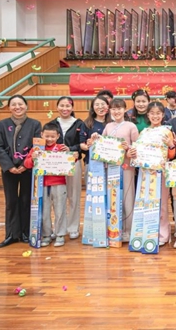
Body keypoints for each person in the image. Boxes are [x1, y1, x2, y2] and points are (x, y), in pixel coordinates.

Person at [0, 95, 42, 248]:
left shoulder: (35, 124)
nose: (17, 107)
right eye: (13, 104)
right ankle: (11, 234)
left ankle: (25, 232)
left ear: (26, 106)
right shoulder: (2, 124)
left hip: (27, 168)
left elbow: (37, 146)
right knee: (11, 201)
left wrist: (25, 164)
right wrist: (9, 166)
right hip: (9, 169)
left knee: (26, 200)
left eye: (20, 104)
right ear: (9, 107)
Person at [129, 102, 176, 247]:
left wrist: (171, 145)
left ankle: (163, 234)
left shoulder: (166, 131)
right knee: (145, 202)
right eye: (152, 113)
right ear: (148, 115)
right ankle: (146, 232)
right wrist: (133, 153)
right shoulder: (143, 132)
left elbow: (171, 155)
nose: (155, 116)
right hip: (145, 173)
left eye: (158, 113)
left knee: (161, 203)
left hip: (160, 173)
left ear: (163, 115)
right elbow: (136, 152)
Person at [23, 122, 75, 247]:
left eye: (53, 136)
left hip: (59, 184)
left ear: (58, 136)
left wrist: (70, 152)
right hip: (42, 185)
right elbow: (26, 164)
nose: (50, 139)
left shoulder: (61, 148)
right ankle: (46, 235)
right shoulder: (37, 149)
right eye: (47, 136)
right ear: (41, 135)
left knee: (60, 210)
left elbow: (72, 161)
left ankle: (60, 234)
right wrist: (33, 158)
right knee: (44, 211)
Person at [101, 99, 139, 241]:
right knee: (113, 198)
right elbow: (102, 145)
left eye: (119, 108)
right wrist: (95, 140)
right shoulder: (108, 126)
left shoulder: (131, 126)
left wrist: (128, 148)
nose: (116, 111)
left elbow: (137, 147)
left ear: (124, 110)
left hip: (126, 167)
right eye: (113, 109)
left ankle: (128, 230)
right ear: (110, 110)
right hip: (110, 167)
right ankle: (115, 229)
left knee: (127, 198)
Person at [51, 97, 84, 240]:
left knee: (74, 195)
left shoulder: (79, 123)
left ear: (72, 108)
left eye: (68, 106)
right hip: (55, 164)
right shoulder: (51, 124)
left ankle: (73, 227)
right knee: (58, 197)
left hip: (73, 162)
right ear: (57, 107)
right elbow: (46, 141)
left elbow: (82, 144)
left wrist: (71, 148)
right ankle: (59, 228)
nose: (65, 108)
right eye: (62, 105)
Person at [79, 96, 111, 170]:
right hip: (92, 162)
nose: (100, 107)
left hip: (110, 163)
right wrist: (89, 145)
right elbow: (82, 144)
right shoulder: (87, 123)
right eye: (97, 104)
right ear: (92, 107)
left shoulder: (113, 123)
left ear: (108, 106)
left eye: (103, 104)